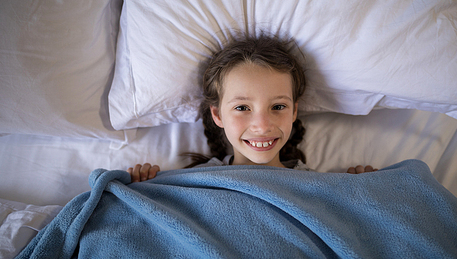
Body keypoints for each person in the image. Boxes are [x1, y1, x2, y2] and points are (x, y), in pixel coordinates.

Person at [128, 35, 376, 182]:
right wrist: (144, 189)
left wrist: (359, 194)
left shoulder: (320, 185)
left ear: (294, 112)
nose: (262, 125)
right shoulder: (193, 183)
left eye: (278, 106)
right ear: (217, 115)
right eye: (243, 107)